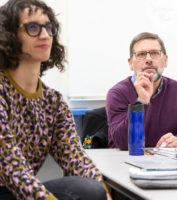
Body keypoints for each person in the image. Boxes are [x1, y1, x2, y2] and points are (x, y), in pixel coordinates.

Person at [0, 0, 111, 199]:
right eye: (33, 27)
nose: (45, 35)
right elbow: (12, 170)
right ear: (9, 35)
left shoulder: (53, 101)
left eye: (49, 27)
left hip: (22, 190)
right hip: (10, 186)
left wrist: (103, 191)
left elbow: (75, 157)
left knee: (92, 190)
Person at [106, 32, 177, 150]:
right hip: (127, 162)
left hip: (167, 163)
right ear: (130, 63)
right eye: (141, 54)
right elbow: (123, 143)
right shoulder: (117, 93)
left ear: (165, 60)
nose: (148, 59)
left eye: (154, 53)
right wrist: (141, 102)